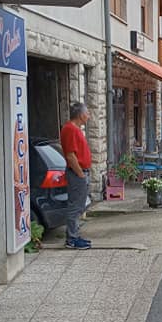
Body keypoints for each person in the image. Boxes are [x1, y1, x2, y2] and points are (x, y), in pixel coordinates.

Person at [60, 101, 93, 250]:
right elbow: (70, 155)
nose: (89, 116)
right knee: (75, 206)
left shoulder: (75, 129)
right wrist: (80, 174)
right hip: (77, 173)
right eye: (87, 113)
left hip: (81, 172)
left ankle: (75, 235)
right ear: (81, 115)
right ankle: (72, 239)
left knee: (79, 205)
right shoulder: (70, 129)